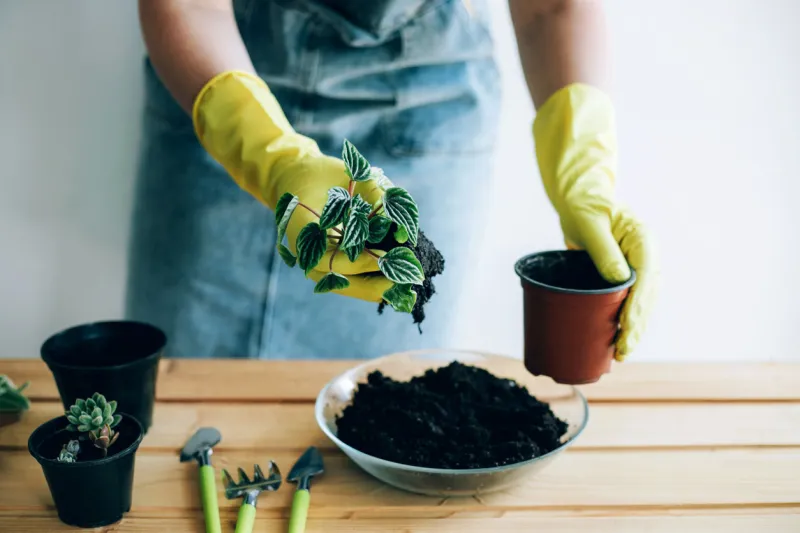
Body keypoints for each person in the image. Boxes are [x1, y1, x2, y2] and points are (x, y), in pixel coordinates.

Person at [127, 0, 658, 360]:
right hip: (217, 75)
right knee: (184, 388)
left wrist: (584, 169)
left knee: (388, 398)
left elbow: (549, 7)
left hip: (428, 108)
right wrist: (272, 157)